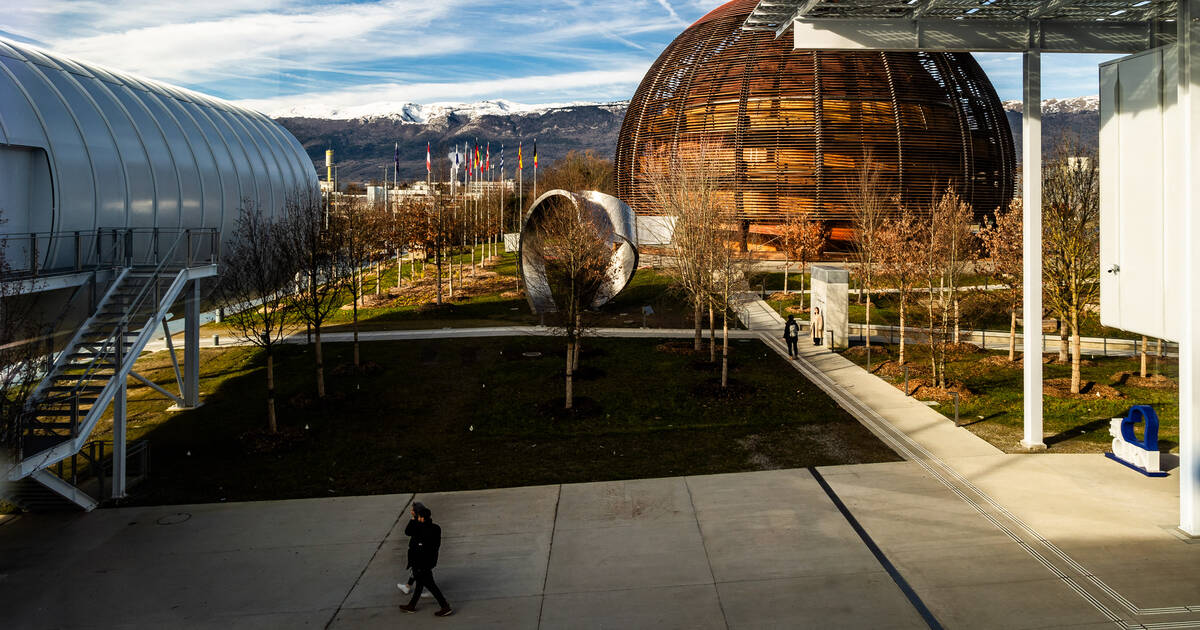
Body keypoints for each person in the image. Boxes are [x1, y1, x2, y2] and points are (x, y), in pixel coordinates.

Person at [399, 504, 453, 617]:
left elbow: (408, 531)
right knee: (420, 583)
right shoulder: (436, 528)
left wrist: (413, 518)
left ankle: (445, 606)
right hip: (430, 560)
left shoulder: (419, 528)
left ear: (421, 518)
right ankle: (411, 605)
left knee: (431, 585)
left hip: (420, 561)